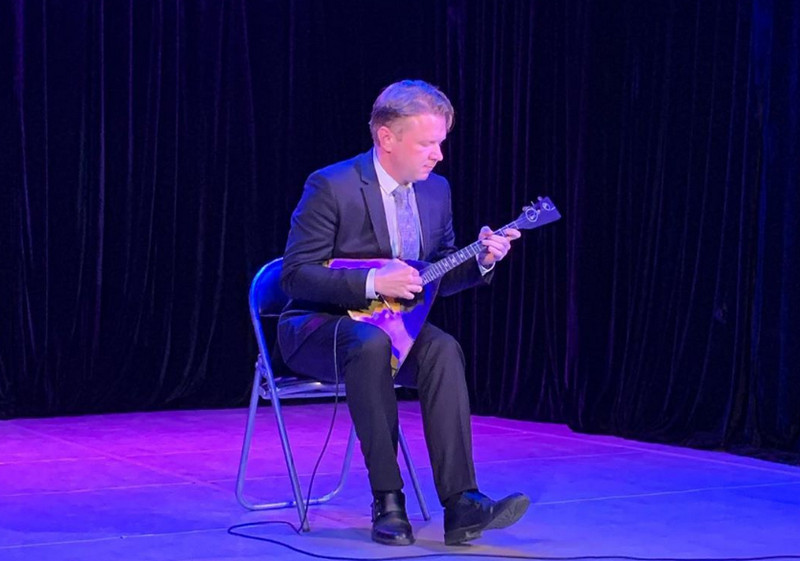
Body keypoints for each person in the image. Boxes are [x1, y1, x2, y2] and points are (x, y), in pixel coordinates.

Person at [278, 79, 528, 546]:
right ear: (386, 138)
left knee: (443, 349)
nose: (438, 155)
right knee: (368, 343)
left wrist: (481, 260)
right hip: (319, 327)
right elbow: (295, 276)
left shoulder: (435, 191)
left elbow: (434, 275)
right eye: (427, 144)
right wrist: (373, 282)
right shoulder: (332, 185)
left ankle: (462, 502)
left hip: (389, 327)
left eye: (441, 143)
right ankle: (388, 499)